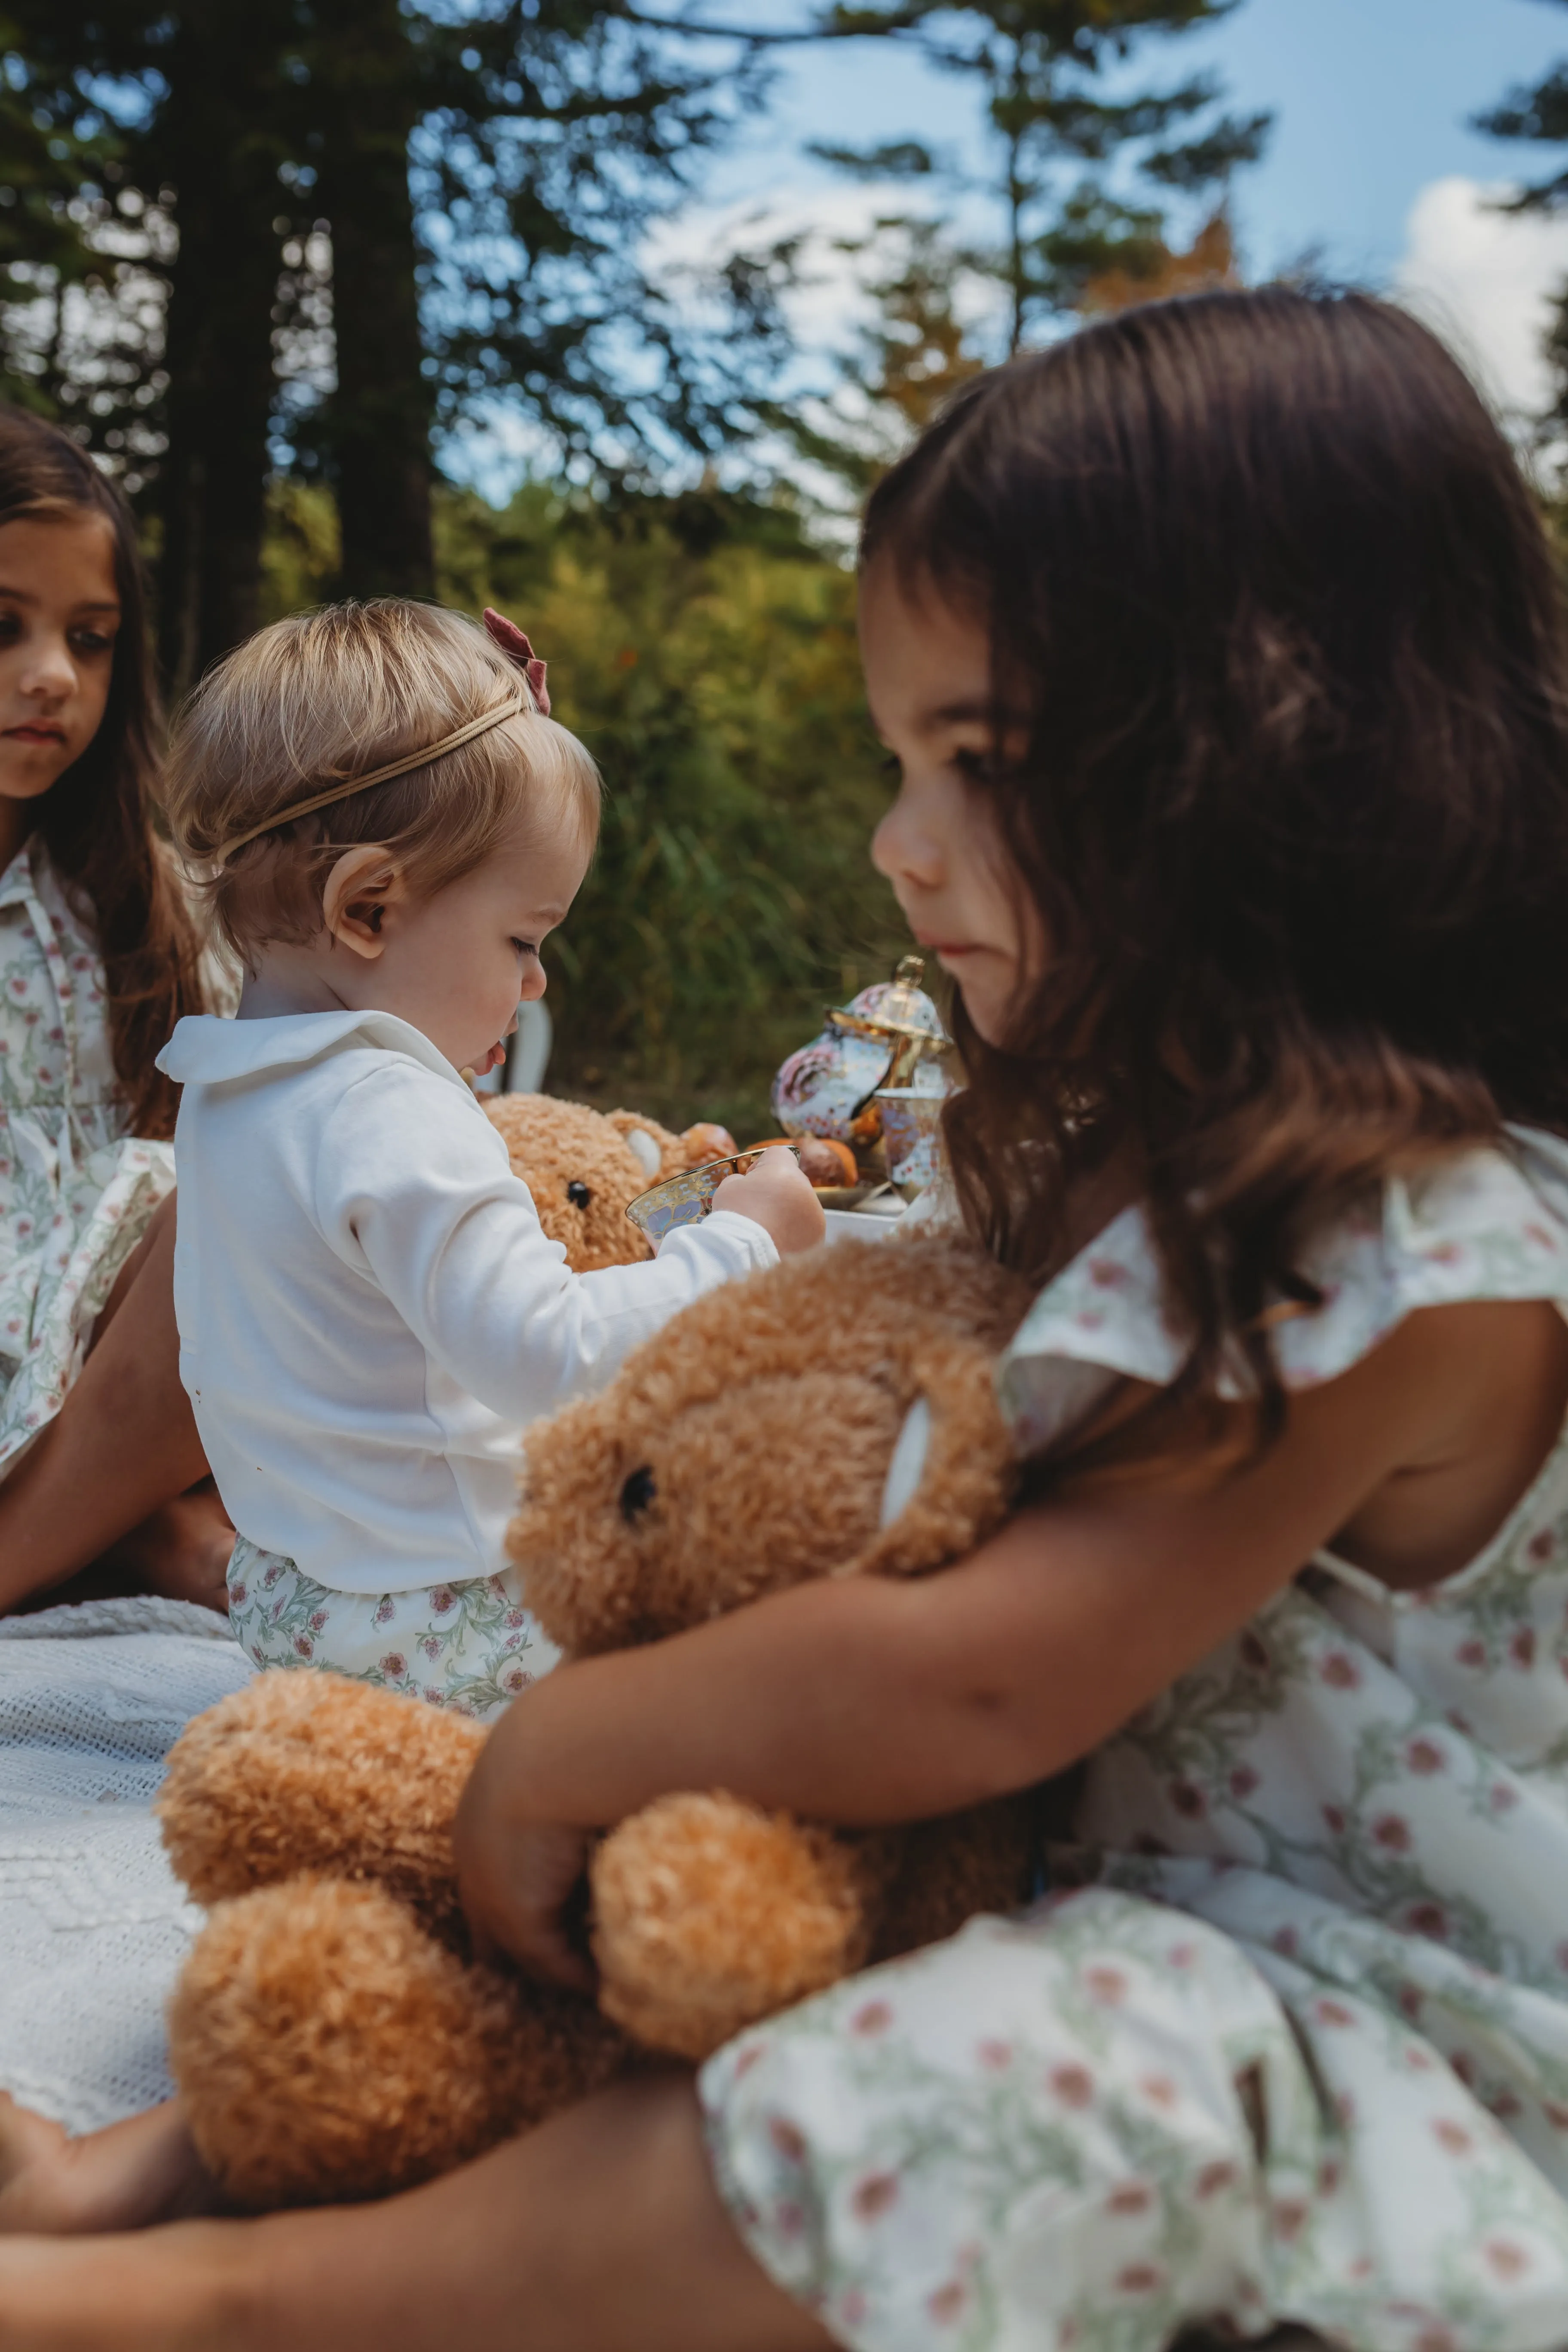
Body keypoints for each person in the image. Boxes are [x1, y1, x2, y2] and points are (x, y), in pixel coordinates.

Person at [3, 283, 1568, 2352]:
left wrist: (577, 1733)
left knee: (1016, 2074)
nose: (895, 842)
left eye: (979, 761)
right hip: (1029, 1861)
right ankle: (152, 2170)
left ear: (1286, 760)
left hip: (1322, 2007)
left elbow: (989, 1678)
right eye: (900, 757)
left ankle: (234, 2297)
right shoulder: (1166, 1159)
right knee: (663, 1936)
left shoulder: (1413, 1248)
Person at [149, 597, 820, 1710]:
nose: (537, 982)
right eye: (523, 939)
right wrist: (745, 1244)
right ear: (368, 907)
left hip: (298, 1613)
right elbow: (545, 1358)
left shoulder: (230, 1091)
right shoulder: (391, 1106)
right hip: (464, 1617)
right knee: (783, 1571)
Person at [0, 407, 231, 1615]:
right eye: (5, 626)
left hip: (117, 1335)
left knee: (255, 1204)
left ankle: (159, 1543)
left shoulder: (136, 893)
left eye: (89, 641)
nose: (51, 676)